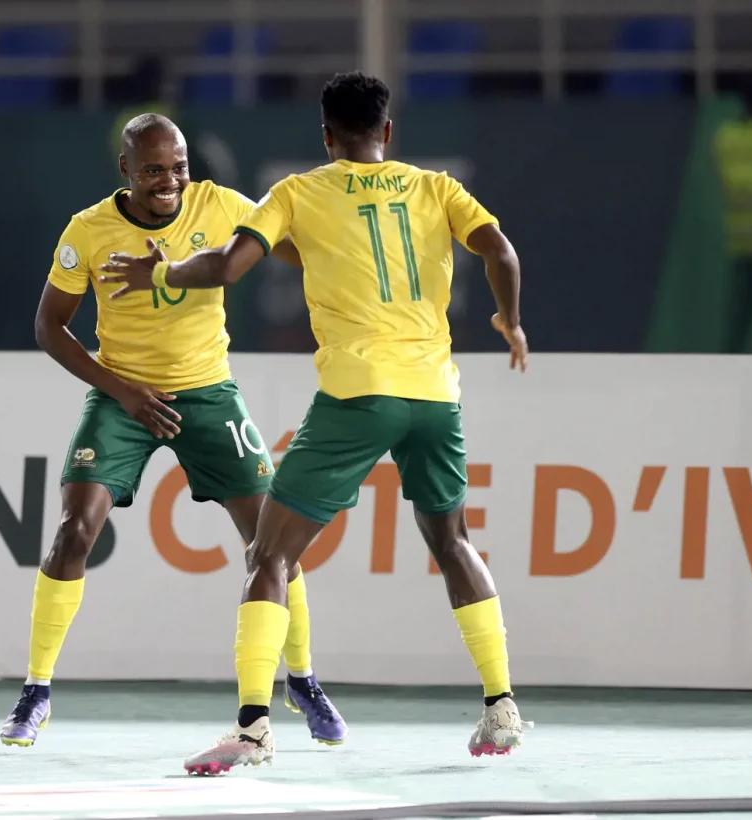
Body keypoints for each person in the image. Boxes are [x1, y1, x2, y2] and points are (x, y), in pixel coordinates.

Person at [100, 72, 530, 775]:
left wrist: (166, 273)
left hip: (359, 396)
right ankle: (502, 705)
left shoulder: (297, 193)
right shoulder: (435, 188)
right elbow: (501, 252)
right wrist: (509, 321)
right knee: (453, 542)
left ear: (326, 136)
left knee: (269, 556)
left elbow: (229, 267)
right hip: (434, 396)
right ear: (387, 132)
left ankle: (253, 729)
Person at [0, 113, 347, 749]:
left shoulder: (222, 206)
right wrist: (122, 390)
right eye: (154, 169)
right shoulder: (88, 230)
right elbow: (50, 327)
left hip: (209, 392)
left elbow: (299, 254)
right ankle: (36, 689)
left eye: (179, 168)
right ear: (126, 171)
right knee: (74, 533)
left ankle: (302, 677)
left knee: (272, 543)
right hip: (122, 395)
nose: (170, 181)